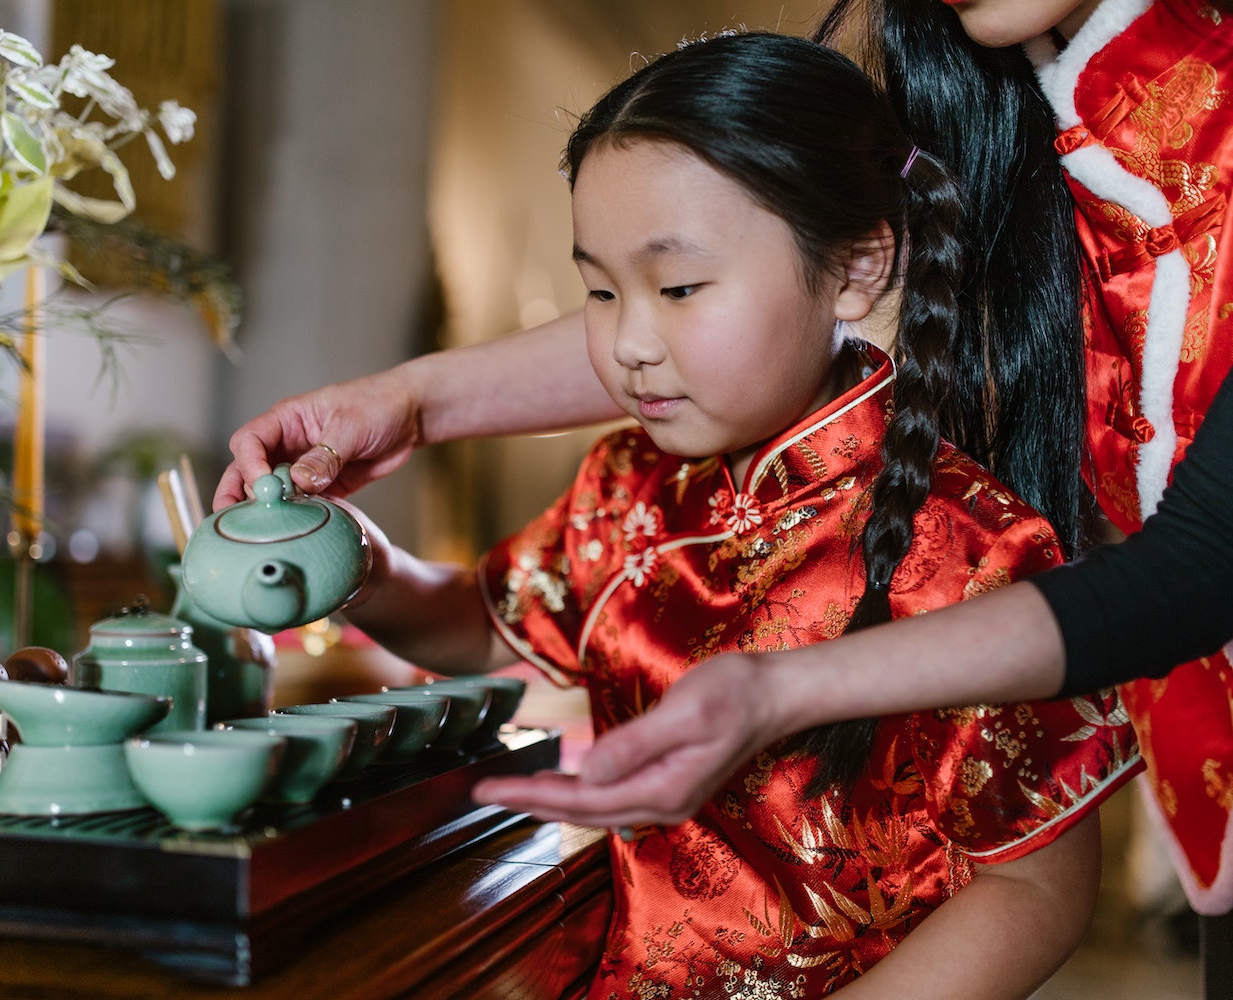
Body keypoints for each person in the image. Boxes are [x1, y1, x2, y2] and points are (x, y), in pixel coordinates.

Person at [217, 0, 1233, 939]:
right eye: (601, 292)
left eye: (678, 284)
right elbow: (687, 326)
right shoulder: (634, 479)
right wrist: (403, 417)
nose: (627, 346)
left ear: (863, 265)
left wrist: (776, 691)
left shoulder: (956, 541)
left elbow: (1195, 567)